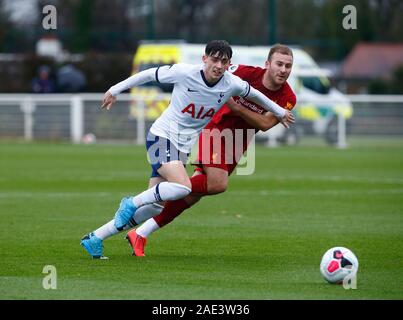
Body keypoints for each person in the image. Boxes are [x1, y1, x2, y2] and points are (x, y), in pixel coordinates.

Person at [80, 40, 295, 259]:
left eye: (223, 61)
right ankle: (131, 202)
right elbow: (147, 74)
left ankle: (95, 238)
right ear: (204, 59)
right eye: (214, 59)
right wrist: (115, 90)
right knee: (183, 187)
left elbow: (257, 97)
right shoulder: (185, 73)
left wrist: (279, 112)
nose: (218, 66)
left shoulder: (232, 83)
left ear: (228, 63)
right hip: (162, 137)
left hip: (184, 146)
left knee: (156, 206)